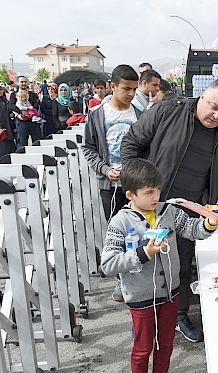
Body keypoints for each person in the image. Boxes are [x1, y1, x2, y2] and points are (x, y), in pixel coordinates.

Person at [121, 79, 218, 343]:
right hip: (151, 206)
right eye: (213, 107)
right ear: (202, 97)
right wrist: (138, 190)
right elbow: (131, 144)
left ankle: (178, 316)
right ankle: (144, 317)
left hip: (189, 213)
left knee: (179, 265)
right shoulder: (167, 112)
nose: (216, 116)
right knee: (143, 262)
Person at [101, 158, 218, 373]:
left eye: (157, 190)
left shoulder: (168, 212)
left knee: (166, 344)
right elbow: (108, 264)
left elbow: (192, 229)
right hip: (141, 298)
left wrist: (210, 222)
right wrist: (143, 253)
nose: (156, 197)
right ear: (130, 195)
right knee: (143, 348)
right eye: (148, 192)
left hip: (171, 295)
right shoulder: (121, 222)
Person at [82, 65, 143, 303]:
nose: (130, 94)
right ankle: (121, 280)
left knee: (139, 231)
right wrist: (105, 169)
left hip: (136, 186)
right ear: (113, 86)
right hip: (110, 186)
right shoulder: (98, 115)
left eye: (134, 89)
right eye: (126, 89)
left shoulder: (139, 114)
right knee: (116, 233)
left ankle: (136, 279)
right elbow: (88, 148)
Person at [0, 85, 15, 161]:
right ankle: (0, 160)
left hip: (8, 125)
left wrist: (12, 114)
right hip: (1, 127)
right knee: (2, 145)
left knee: (9, 144)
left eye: (1, 90)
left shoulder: (5, 101)